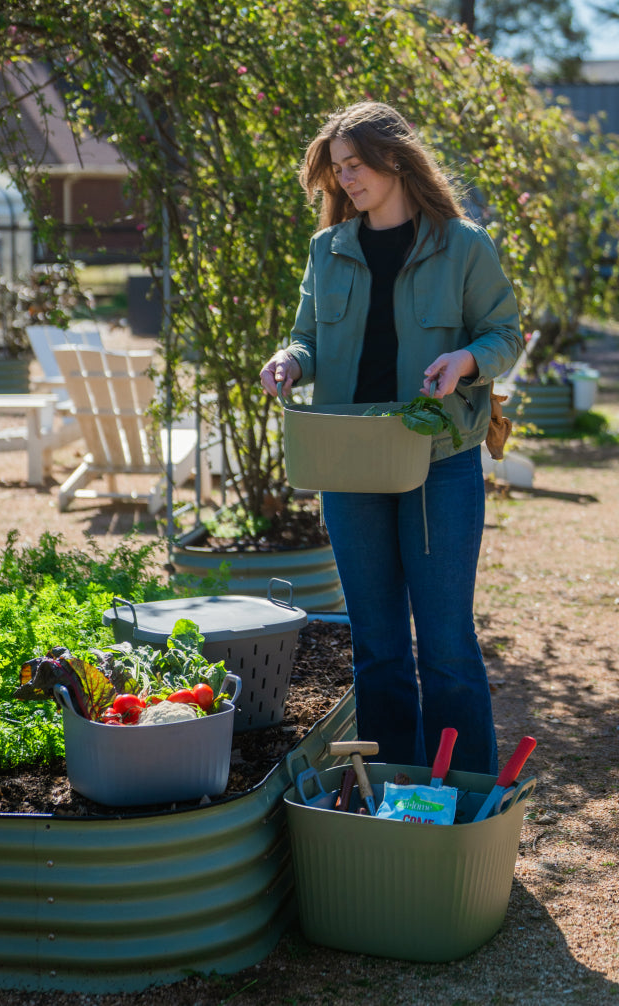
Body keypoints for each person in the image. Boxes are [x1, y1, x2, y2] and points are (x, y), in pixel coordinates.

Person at [260, 101, 523, 775]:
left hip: (439, 461)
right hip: (349, 465)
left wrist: (465, 361)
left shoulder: (463, 244)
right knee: (377, 646)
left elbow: (503, 335)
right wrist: (290, 360)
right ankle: (394, 793)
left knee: (444, 644)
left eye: (356, 164)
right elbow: (308, 337)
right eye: (338, 168)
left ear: (395, 159)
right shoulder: (329, 250)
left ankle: (461, 794)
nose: (346, 179)